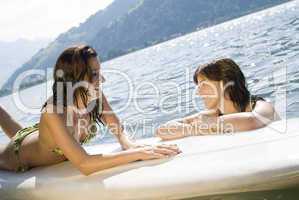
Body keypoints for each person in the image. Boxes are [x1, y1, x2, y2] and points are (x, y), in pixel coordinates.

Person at [0, 45, 180, 175]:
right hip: (16, 156)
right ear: (74, 78)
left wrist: (128, 143)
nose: (102, 79)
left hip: (40, 138)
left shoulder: (95, 95)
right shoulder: (53, 112)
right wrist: (136, 154)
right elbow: (84, 164)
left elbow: (114, 124)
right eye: (94, 73)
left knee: (16, 129)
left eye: (99, 71)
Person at [156, 58, 280, 140]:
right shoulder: (213, 114)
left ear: (225, 83)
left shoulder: (260, 105)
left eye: (203, 84)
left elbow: (252, 121)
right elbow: (161, 131)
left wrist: (208, 123)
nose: (198, 92)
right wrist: (195, 128)